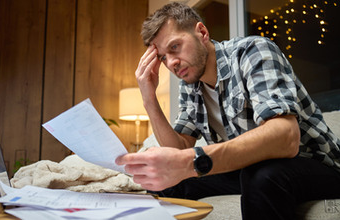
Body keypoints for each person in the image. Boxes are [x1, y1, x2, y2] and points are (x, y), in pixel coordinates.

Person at [115, 2, 340, 219]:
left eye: (175, 47)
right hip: (249, 168)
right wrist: (148, 97)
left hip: (317, 164)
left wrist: (191, 162)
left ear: (201, 32)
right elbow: (178, 148)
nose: (171, 62)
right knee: (169, 182)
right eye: (163, 57)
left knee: (263, 175)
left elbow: (286, 138)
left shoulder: (252, 52)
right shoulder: (190, 84)